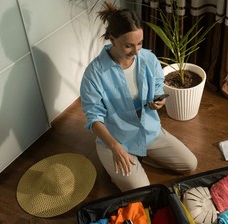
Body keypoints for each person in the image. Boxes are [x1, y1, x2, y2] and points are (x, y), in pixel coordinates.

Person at [80, 2, 197, 192]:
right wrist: (115, 147)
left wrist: (160, 98)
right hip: (116, 139)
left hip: (148, 131)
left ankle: (141, 156)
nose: (136, 51)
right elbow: (94, 118)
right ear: (112, 39)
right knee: (141, 189)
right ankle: (117, 163)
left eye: (140, 43)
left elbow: (159, 83)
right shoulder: (94, 73)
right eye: (128, 46)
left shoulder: (148, 58)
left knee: (190, 164)